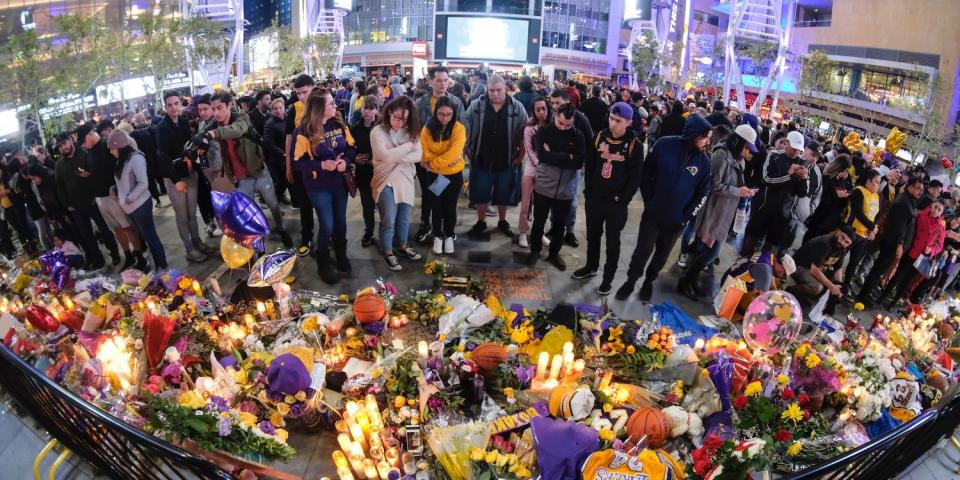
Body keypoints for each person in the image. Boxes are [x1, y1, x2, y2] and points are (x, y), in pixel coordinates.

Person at [615, 114, 713, 302]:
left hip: (676, 222)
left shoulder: (704, 162)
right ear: (692, 134)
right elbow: (646, 173)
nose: (707, 142)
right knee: (642, 252)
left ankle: (648, 282)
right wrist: (649, 200)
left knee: (661, 257)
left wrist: (686, 217)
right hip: (653, 215)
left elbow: (703, 193)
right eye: (703, 137)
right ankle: (630, 281)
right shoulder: (664, 144)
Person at [677, 124, 758, 299]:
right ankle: (686, 281)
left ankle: (689, 280)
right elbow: (713, 185)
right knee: (707, 250)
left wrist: (743, 191)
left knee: (708, 250)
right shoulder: (721, 155)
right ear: (739, 143)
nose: (748, 152)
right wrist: (739, 191)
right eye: (747, 147)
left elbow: (733, 185)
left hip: (725, 212)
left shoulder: (738, 159)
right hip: (713, 210)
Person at [572, 102, 643, 295]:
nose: (613, 123)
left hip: (616, 204)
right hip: (595, 200)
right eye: (611, 118)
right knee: (593, 237)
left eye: (618, 121)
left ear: (628, 122)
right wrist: (589, 192)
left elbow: (636, 177)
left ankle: (608, 279)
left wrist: (623, 200)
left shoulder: (634, 145)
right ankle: (591, 266)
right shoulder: (599, 137)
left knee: (613, 243)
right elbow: (591, 165)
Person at [205, 92, 293, 248]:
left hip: (259, 171)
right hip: (241, 179)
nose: (216, 113)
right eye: (213, 109)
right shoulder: (212, 126)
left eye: (219, 108)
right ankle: (257, 241)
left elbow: (237, 130)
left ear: (230, 105)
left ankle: (282, 229)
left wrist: (213, 133)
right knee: (249, 213)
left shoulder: (241, 118)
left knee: (273, 204)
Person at [292, 90, 355, 283]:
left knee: (341, 222)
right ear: (319, 108)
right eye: (330, 103)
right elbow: (296, 163)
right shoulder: (303, 131)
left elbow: (352, 147)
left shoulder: (338, 123)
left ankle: (342, 254)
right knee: (327, 224)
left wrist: (346, 160)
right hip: (318, 186)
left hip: (339, 183)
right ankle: (324, 262)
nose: (335, 105)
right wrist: (321, 165)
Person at [463, 75, 529, 239]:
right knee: (480, 194)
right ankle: (481, 221)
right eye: (491, 90)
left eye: (498, 90)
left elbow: (525, 132)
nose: (495, 94)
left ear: (505, 89)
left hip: (507, 160)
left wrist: (521, 155)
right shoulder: (477, 105)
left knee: (504, 194)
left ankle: (502, 220)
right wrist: (467, 148)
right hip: (481, 158)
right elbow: (465, 125)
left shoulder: (517, 107)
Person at [155, 92, 214, 262]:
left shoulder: (184, 122)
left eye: (176, 103)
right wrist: (176, 180)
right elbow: (163, 157)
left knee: (191, 213)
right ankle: (189, 249)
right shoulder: (161, 128)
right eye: (170, 105)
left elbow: (190, 146)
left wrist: (192, 160)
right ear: (165, 107)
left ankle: (198, 241)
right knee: (181, 215)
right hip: (175, 178)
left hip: (190, 173)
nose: (174, 107)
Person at [527, 103, 585, 270]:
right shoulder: (544, 132)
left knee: (560, 225)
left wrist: (556, 155)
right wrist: (568, 156)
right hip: (544, 186)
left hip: (565, 190)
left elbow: (579, 162)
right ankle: (535, 250)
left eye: (568, 125)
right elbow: (543, 156)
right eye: (561, 123)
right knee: (539, 222)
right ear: (555, 117)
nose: (564, 127)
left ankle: (554, 253)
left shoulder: (577, 136)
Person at [371, 96, 423, 271]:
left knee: (405, 218)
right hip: (385, 181)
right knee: (389, 220)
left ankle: (402, 246)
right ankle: (387, 252)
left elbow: (419, 156)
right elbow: (384, 157)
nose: (400, 123)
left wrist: (394, 154)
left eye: (405, 119)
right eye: (397, 117)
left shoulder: (411, 130)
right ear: (389, 113)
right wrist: (409, 146)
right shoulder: (377, 131)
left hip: (406, 180)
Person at [414, 66, 464, 244]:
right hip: (425, 161)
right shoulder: (420, 103)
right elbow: (416, 131)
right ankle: (426, 224)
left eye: (445, 80)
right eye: (438, 80)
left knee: (448, 201)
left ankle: (447, 231)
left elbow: (462, 130)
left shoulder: (456, 102)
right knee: (429, 195)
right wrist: (423, 158)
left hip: (449, 164)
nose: (443, 84)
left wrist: (457, 155)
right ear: (430, 81)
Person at [741, 130, 809, 256]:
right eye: (794, 148)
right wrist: (788, 175)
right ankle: (741, 263)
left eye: (798, 149)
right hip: (765, 206)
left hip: (784, 214)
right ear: (787, 143)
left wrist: (804, 178)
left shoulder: (802, 163)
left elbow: (802, 193)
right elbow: (766, 179)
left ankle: (761, 269)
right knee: (752, 238)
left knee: (770, 247)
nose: (796, 152)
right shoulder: (773, 155)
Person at [107, 130, 161, 271]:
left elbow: (143, 183)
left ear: (120, 146)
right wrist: (115, 190)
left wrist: (128, 199)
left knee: (151, 238)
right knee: (146, 238)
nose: (111, 152)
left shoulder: (136, 158)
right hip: (131, 208)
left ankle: (162, 266)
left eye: (112, 148)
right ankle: (157, 266)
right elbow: (124, 182)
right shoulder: (122, 160)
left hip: (140, 206)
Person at [420, 96, 466, 255]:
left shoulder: (458, 128)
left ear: (454, 113)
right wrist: (438, 161)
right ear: (435, 112)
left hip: (453, 175)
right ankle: (437, 235)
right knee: (436, 207)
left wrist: (432, 163)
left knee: (450, 207)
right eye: (441, 114)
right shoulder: (427, 128)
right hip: (435, 176)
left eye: (448, 114)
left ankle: (449, 235)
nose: (445, 118)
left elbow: (454, 152)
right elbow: (424, 151)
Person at [548, 88, 594, 247]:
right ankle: (554, 227)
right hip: (553, 167)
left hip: (573, 168)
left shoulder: (581, 119)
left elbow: (590, 143)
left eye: (557, 103)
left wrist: (580, 162)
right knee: (554, 198)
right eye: (552, 102)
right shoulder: (551, 116)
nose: (554, 106)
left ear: (568, 102)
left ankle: (570, 231)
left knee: (571, 200)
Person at [881, 201, 946, 308]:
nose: (936, 211)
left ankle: (892, 304)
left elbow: (940, 245)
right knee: (897, 276)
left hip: (922, 257)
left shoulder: (941, 225)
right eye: (935, 207)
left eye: (939, 210)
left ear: (941, 212)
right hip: (911, 250)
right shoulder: (921, 214)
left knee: (907, 282)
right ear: (931, 206)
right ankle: (882, 298)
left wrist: (931, 251)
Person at [285, 74, 320, 256]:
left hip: (323, 166)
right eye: (298, 93)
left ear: (313, 88)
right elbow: (289, 139)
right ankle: (306, 237)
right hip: (301, 166)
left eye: (304, 92)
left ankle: (327, 236)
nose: (301, 97)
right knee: (305, 205)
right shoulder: (294, 110)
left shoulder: (326, 105)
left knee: (323, 205)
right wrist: (288, 165)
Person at [839, 168, 881, 296]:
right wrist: (873, 227)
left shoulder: (876, 195)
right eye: (876, 182)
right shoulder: (858, 191)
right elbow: (858, 213)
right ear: (868, 181)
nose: (878, 185)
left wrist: (874, 228)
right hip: (851, 232)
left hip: (864, 236)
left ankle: (845, 286)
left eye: (879, 183)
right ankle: (832, 279)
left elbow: (876, 214)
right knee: (839, 258)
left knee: (854, 262)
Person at [787, 226, 855, 306]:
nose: (842, 242)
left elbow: (838, 268)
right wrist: (831, 286)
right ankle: (790, 292)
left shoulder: (842, 248)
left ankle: (802, 296)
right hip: (798, 266)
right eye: (842, 237)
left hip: (813, 268)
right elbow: (814, 269)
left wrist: (838, 286)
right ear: (839, 232)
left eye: (847, 242)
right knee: (817, 287)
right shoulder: (825, 243)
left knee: (829, 283)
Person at [719, 251, 795, 320]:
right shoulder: (766, 273)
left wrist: (776, 293)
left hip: (730, 274)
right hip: (729, 287)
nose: (782, 278)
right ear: (781, 268)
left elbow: (772, 279)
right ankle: (726, 314)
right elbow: (762, 301)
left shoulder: (769, 255)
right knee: (754, 310)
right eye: (783, 276)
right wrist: (776, 312)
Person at [517, 97, 550, 248]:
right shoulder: (529, 128)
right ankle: (523, 232)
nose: (542, 112)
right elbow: (530, 151)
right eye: (538, 109)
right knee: (526, 203)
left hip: (548, 171)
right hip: (532, 170)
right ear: (534, 111)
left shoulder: (552, 126)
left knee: (542, 205)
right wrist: (541, 165)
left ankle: (540, 232)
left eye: (544, 108)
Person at [351, 95, 380, 247]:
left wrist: (372, 159)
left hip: (381, 172)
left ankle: (387, 233)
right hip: (363, 173)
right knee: (367, 206)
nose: (367, 111)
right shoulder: (355, 129)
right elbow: (349, 149)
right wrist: (355, 158)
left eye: (371, 108)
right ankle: (369, 231)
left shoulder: (382, 127)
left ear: (376, 110)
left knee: (383, 205)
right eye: (365, 108)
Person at [803, 155, 852, 241]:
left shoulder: (841, 181)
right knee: (810, 240)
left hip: (830, 222)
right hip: (820, 218)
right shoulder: (826, 178)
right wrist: (836, 195)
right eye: (844, 170)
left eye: (846, 171)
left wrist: (845, 196)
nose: (845, 173)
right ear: (838, 168)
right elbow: (820, 198)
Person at [786, 140, 823, 251]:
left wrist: (809, 211)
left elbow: (817, 194)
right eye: (812, 154)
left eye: (816, 157)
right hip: (783, 212)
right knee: (771, 244)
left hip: (799, 217)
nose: (813, 159)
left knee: (786, 247)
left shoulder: (817, 172)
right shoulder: (794, 160)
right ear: (805, 149)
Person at [129, 113, 165, 207]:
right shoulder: (152, 129)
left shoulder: (132, 135)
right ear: (144, 119)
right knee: (160, 175)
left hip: (143, 161)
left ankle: (157, 200)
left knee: (150, 181)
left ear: (135, 122)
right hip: (155, 157)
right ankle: (164, 190)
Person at [263, 98, 291, 204]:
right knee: (280, 182)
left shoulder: (289, 119)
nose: (278, 111)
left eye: (280, 108)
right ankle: (275, 202)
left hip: (287, 155)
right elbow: (269, 143)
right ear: (271, 110)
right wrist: (283, 154)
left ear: (284, 108)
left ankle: (280, 198)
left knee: (287, 181)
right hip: (275, 158)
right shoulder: (269, 124)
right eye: (275, 109)